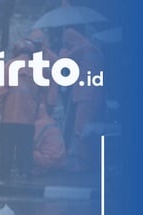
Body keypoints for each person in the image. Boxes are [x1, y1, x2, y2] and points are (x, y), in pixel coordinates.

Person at [0, 40, 43, 181]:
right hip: (28, 118)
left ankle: (4, 173)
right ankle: (25, 172)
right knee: (25, 147)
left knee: (6, 148)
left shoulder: (9, 66)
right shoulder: (37, 69)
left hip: (10, 116)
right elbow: (40, 94)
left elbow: (0, 90)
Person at [60, 28, 104, 171]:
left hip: (84, 94)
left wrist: (63, 51)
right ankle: (92, 160)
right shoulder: (95, 49)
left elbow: (64, 62)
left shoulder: (81, 48)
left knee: (80, 129)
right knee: (89, 129)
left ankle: (82, 164)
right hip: (95, 93)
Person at [33, 109, 66, 176]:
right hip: (60, 161)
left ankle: (40, 169)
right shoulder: (52, 121)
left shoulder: (39, 124)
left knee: (23, 149)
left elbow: (33, 144)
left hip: (49, 160)